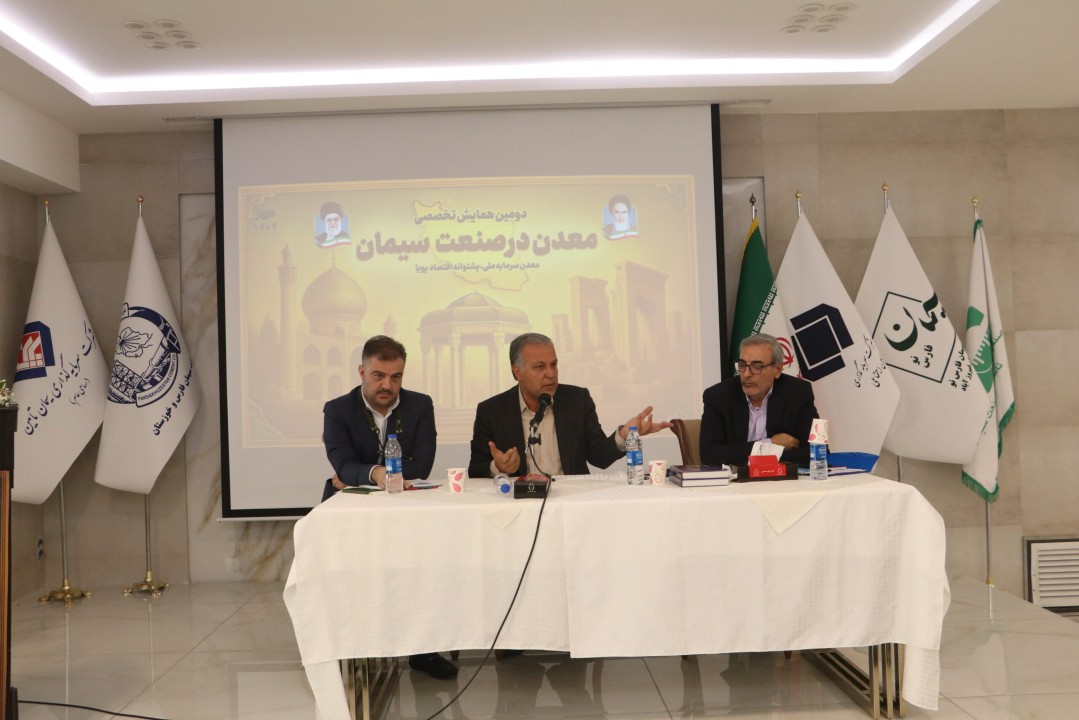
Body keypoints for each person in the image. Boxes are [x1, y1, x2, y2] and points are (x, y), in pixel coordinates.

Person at [321, 335, 455, 680]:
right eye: (378, 376)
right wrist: (376, 474)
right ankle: (353, 646)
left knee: (421, 571)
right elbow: (341, 461)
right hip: (352, 508)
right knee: (352, 577)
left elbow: (422, 465)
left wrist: (362, 473)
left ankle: (423, 650)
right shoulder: (337, 410)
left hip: (405, 505)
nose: (387, 385)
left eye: (396, 377)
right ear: (361, 372)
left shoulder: (420, 405)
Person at [469, 332, 670, 480]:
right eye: (540, 366)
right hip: (518, 502)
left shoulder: (577, 400)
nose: (551, 373)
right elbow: (475, 470)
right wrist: (498, 467)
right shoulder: (491, 411)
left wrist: (625, 435)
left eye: (554, 364)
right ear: (517, 372)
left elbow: (598, 456)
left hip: (571, 499)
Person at [699, 333, 818, 467]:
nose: (746, 374)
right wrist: (771, 444)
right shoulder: (718, 397)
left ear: (777, 369)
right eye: (742, 365)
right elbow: (709, 455)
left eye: (757, 367)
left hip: (781, 479)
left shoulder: (798, 393)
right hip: (736, 479)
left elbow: (816, 452)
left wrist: (746, 455)